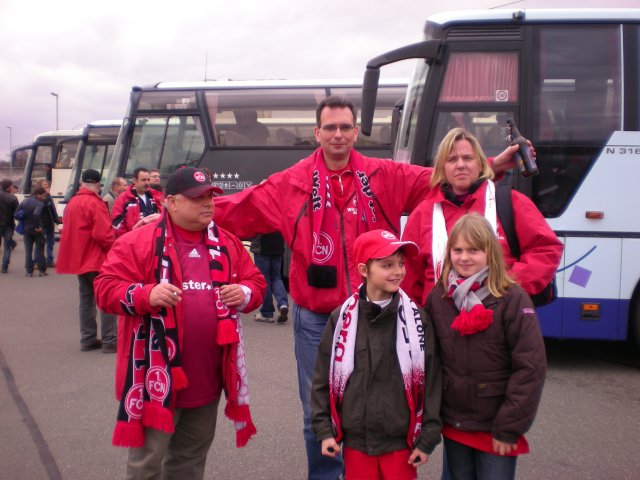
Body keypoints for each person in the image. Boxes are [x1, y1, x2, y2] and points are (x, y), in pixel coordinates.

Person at [213, 96, 519, 479]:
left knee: (379, 407)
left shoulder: (384, 175)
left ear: (356, 132)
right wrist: (174, 212)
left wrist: (492, 164)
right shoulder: (291, 183)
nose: (338, 134)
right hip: (317, 317)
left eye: (345, 127)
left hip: (379, 314)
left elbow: (442, 176)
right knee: (317, 414)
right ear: (317, 133)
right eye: (330, 127)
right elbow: (238, 207)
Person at [95, 167, 266, 480]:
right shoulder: (139, 241)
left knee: (189, 464)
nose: (208, 203)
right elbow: (105, 289)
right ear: (171, 202)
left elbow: (256, 283)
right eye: (197, 198)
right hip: (152, 383)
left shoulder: (226, 242)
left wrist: (244, 293)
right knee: (146, 467)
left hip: (208, 381)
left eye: (210, 197)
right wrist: (146, 294)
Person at [312, 229, 442, 480]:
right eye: (387, 265)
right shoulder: (341, 319)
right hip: (356, 444)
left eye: (401, 263)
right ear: (364, 269)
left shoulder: (417, 320)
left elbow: (432, 382)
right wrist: (324, 430)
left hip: (400, 445)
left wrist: (427, 438)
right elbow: (322, 378)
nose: (398, 271)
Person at [425, 213, 546, 480]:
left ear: (490, 252)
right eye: (457, 250)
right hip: (455, 421)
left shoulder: (512, 298)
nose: (464, 257)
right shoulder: (439, 296)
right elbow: (430, 361)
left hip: (496, 425)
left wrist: (509, 426)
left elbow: (530, 367)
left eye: (474, 250)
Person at [401, 127, 563, 307]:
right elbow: (409, 276)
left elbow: (546, 250)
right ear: (442, 168)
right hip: (438, 318)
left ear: (480, 164)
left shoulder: (511, 202)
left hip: (500, 313)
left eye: (467, 158)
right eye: (452, 159)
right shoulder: (423, 214)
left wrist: (504, 285)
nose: (460, 165)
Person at [56, 169, 117, 353]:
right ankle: (110, 340)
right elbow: (103, 234)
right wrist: (115, 250)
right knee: (106, 299)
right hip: (96, 259)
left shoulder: (72, 202)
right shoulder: (95, 203)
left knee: (86, 300)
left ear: (82, 183)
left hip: (80, 259)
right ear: (98, 184)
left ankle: (88, 338)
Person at [111, 167, 164, 237]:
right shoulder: (124, 198)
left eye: (148, 180)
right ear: (134, 180)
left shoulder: (155, 196)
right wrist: (129, 237)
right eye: (143, 180)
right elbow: (116, 223)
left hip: (151, 239)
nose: (147, 183)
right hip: (131, 240)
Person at [250, 232, 289, 323]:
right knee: (276, 277)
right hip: (278, 244)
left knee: (264, 279)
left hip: (262, 245)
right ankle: (283, 304)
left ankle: (266, 313)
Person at [16, 187, 48, 277]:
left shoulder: (25, 201)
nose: (44, 197)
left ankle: (29, 271)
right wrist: (37, 226)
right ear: (38, 195)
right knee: (40, 250)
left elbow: (16, 213)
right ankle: (42, 270)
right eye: (43, 195)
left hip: (26, 228)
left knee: (28, 251)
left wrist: (22, 220)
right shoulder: (39, 203)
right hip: (37, 229)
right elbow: (36, 214)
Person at [36, 179, 61, 267]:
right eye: (44, 184)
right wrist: (47, 195)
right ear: (40, 187)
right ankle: (37, 261)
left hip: (50, 222)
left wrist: (56, 220)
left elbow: (52, 209)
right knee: (40, 243)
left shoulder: (48, 196)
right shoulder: (40, 197)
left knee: (50, 242)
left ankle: (50, 260)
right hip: (42, 223)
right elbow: (43, 206)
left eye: (47, 184)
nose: (47, 186)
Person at [0, 179, 19, 273]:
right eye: (11, 186)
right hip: (8, 224)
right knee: (7, 246)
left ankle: (13, 243)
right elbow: (17, 212)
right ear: (8, 187)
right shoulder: (13, 198)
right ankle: (4, 267)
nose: (12, 187)